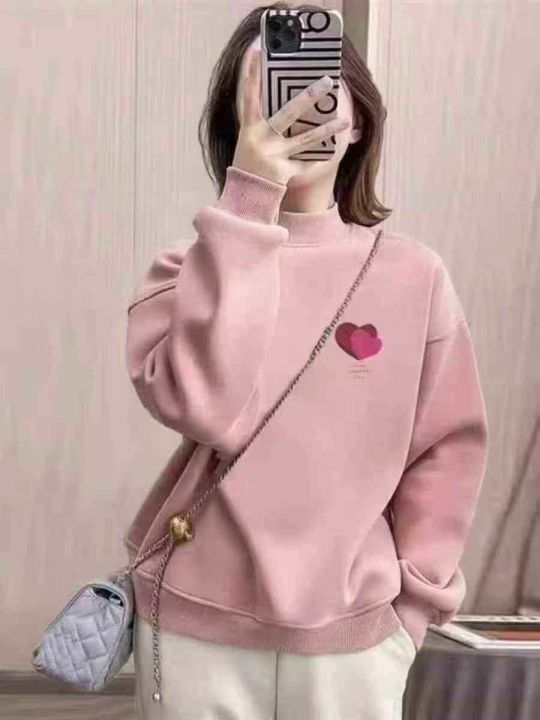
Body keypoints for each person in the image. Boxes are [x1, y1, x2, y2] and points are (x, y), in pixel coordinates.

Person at [124, 3, 489, 719]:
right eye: (272, 91)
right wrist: (250, 198)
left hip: (356, 638)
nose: (299, 109)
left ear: (359, 119)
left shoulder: (414, 276)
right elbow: (206, 406)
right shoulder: (184, 271)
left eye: (319, 87)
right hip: (196, 624)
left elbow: (447, 451)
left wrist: (412, 608)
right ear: (236, 125)